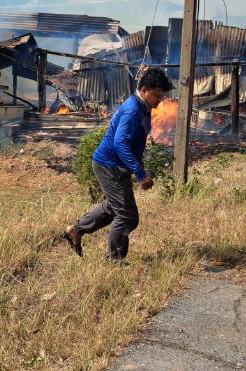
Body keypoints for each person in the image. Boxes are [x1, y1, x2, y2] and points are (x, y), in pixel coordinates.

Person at [62, 67, 173, 261]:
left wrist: (138, 163)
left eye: (161, 96)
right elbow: (120, 143)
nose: (159, 100)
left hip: (114, 165)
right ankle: (115, 261)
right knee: (127, 216)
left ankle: (76, 230)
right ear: (144, 90)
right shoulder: (133, 111)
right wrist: (140, 173)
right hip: (109, 165)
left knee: (115, 207)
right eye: (157, 95)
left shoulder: (143, 107)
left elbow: (135, 139)